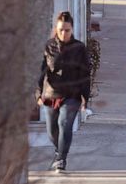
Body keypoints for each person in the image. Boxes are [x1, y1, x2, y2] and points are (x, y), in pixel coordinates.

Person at [36, 11, 92, 173]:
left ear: (72, 30)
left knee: (64, 124)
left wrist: (84, 97)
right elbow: (42, 71)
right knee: (52, 130)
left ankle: (61, 159)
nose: (63, 33)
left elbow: (85, 74)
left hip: (72, 94)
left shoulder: (79, 48)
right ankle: (59, 148)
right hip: (51, 93)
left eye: (67, 30)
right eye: (61, 30)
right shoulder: (49, 45)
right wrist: (38, 93)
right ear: (56, 29)